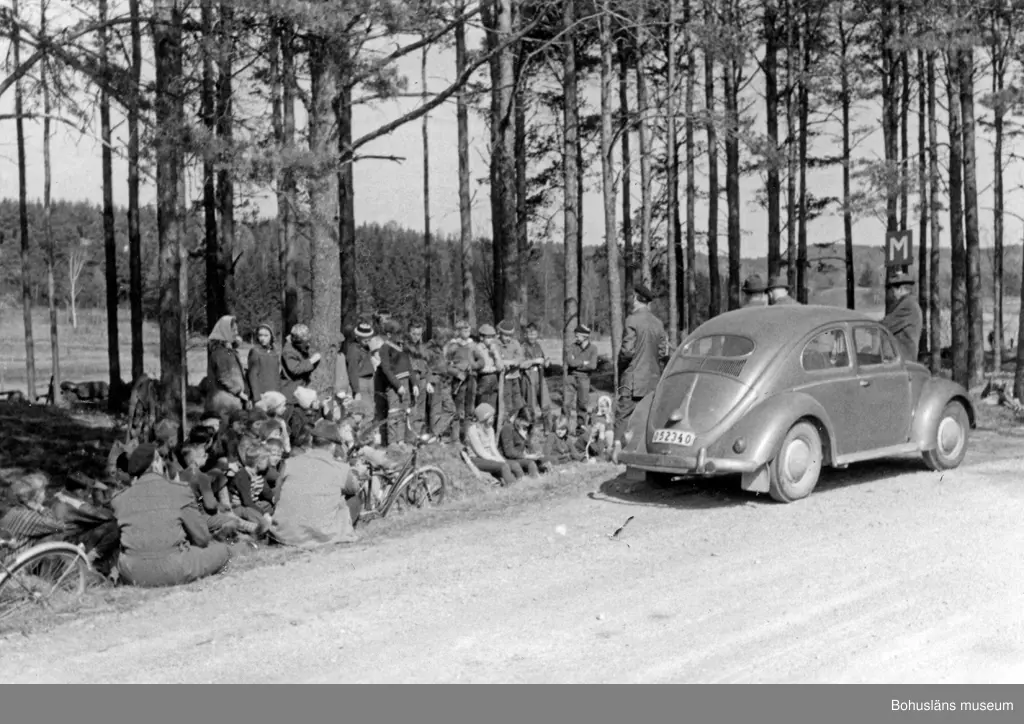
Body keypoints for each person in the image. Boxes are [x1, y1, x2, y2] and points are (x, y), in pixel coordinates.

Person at [110, 443, 230, 588]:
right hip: (175, 569)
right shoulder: (179, 491)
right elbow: (202, 538)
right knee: (222, 550)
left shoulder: (119, 499)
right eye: (160, 459)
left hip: (133, 574)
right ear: (155, 464)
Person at [269, 419, 362, 548]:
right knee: (355, 500)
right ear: (333, 446)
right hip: (320, 535)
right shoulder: (340, 468)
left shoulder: (289, 463)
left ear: (312, 441)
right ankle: (333, 530)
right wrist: (356, 472)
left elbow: (277, 497)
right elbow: (354, 488)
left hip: (283, 534)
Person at [614, 284, 669, 459]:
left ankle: (617, 451)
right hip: (652, 380)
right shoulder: (658, 323)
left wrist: (620, 365)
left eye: (633, 297)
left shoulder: (632, 320)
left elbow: (627, 351)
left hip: (632, 378)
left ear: (636, 299)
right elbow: (662, 353)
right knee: (647, 416)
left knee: (623, 414)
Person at [371, 322, 416, 448]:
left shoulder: (402, 346)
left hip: (406, 383)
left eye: (400, 334)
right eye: (397, 334)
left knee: (403, 412)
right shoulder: (385, 348)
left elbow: (409, 367)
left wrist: (415, 384)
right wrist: (398, 385)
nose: (399, 336)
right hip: (394, 385)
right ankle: (392, 443)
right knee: (394, 412)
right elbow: (386, 369)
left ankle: (400, 440)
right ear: (389, 334)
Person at [444, 320, 485, 442]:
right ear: (458, 331)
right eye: (464, 330)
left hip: (471, 379)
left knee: (470, 409)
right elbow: (445, 364)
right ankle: (455, 437)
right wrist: (457, 373)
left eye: (468, 329)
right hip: (459, 382)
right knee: (457, 409)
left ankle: (467, 436)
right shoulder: (453, 346)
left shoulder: (473, 346)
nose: (467, 332)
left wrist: (473, 366)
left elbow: (482, 361)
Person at [464, 403, 522, 486]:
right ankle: (514, 488)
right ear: (484, 418)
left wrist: (500, 459)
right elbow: (481, 452)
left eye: (493, 416)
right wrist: (496, 460)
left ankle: (524, 484)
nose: (493, 419)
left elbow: (493, 448)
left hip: (489, 457)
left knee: (514, 465)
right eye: (490, 417)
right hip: (477, 459)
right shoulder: (472, 430)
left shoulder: (490, 429)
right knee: (503, 466)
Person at [205, 315, 249, 418]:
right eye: (233, 330)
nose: (237, 333)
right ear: (225, 331)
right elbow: (224, 377)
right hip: (224, 404)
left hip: (230, 401)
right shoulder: (221, 353)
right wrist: (240, 393)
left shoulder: (227, 351)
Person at [564, 324, 598, 435]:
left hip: (584, 379)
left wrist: (577, 362)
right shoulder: (572, 347)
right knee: (566, 404)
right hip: (571, 378)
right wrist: (584, 362)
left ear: (585, 337)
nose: (576, 338)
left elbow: (593, 366)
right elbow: (570, 362)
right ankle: (563, 427)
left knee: (582, 405)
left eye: (578, 336)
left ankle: (580, 428)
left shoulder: (593, 349)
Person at [882, 272, 923, 362]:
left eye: (893, 291)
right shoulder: (907, 303)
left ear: (900, 290)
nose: (892, 294)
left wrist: (869, 325)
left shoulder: (908, 305)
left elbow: (886, 325)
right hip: (901, 359)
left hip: (903, 360)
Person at [520, 323, 552, 431]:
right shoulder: (523, 347)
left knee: (546, 403)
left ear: (537, 334)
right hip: (529, 377)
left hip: (540, 376)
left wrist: (546, 362)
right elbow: (521, 364)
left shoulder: (540, 345)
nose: (532, 337)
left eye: (534, 334)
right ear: (526, 334)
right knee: (531, 406)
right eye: (529, 334)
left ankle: (548, 429)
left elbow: (546, 359)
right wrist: (534, 361)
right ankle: (531, 429)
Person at [495, 320, 527, 425]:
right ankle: (506, 424)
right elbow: (496, 358)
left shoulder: (515, 343)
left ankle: (512, 422)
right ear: (500, 333)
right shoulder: (496, 343)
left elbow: (520, 357)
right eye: (505, 335)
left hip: (515, 376)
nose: (508, 338)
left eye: (510, 336)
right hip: (504, 379)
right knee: (507, 403)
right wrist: (504, 362)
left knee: (518, 402)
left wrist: (513, 362)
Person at [280, 323, 322, 402]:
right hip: (290, 390)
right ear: (297, 341)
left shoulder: (298, 346)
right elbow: (295, 369)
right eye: (305, 342)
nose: (307, 344)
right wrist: (311, 361)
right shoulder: (288, 351)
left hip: (300, 387)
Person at [498, 410, 544, 476]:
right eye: (526, 422)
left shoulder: (527, 428)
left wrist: (535, 454)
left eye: (529, 423)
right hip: (508, 458)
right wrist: (527, 456)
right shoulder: (508, 428)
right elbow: (509, 452)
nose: (528, 425)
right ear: (519, 419)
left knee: (542, 461)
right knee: (530, 463)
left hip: (520, 457)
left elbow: (528, 446)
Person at [247, 323, 281, 401]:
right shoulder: (255, 351)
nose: (262, 338)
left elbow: (276, 374)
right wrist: (257, 396)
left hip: (274, 393)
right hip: (262, 394)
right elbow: (252, 375)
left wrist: (279, 391)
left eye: (266, 335)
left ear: (271, 336)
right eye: (260, 335)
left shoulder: (274, 352)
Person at [475, 324, 504, 416]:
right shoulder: (478, 349)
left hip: (494, 379)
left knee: (492, 406)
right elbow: (481, 368)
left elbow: (500, 367)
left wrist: (495, 354)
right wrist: (493, 368)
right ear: (481, 337)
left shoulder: (493, 348)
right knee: (483, 405)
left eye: (492, 337)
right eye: (488, 337)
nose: (491, 340)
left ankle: (490, 427)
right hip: (484, 379)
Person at [346, 322, 376, 402]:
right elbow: (352, 371)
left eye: (369, 339)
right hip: (361, 381)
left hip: (371, 379)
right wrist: (357, 391)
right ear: (357, 337)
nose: (368, 341)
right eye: (365, 340)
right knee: (364, 409)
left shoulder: (367, 346)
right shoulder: (354, 350)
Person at [332, 331, 352, 399]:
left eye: (341, 343)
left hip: (345, 389)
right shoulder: (331, 358)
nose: (339, 345)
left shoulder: (342, 356)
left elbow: (344, 372)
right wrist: (336, 390)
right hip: (337, 391)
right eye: (338, 343)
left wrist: (348, 389)